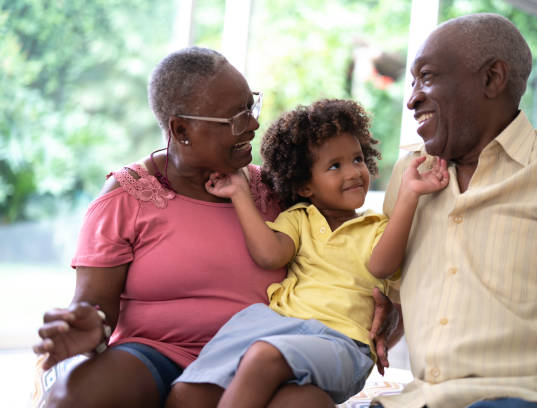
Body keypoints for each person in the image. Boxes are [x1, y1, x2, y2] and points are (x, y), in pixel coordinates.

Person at [31, 47, 397, 408]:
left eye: (251, 106)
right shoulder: (126, 197)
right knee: (75, 397)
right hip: (155, 355)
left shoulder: (277, 190)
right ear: (182, 130)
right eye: (237, 117)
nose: (254, 124)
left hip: (266, 355)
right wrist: (89, 328)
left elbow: (346, 250)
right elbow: (93, 308)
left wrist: (385, 307)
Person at [371, 13, 537, 408]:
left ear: (492, 79)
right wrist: (385, 314)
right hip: (419, 400)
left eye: (427, 77)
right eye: (412, 82)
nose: (412, 98)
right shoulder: (409, 176)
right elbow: (397, 293)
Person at [166, 98, 449, 408]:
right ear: (304, 186)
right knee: (190, 393)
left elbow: (382, 266)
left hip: (340, 342)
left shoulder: (375, 227)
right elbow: (270, 255)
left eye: (357, 159)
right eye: (335, 166)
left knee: (263, 356)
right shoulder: (299, 218)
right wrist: (239, 194)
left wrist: (409, 195)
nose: (354, 172)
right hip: (277, 327)